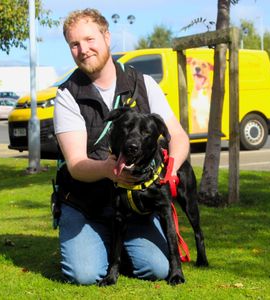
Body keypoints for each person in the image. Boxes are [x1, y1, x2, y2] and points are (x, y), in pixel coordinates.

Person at [54, 8, 190, 285]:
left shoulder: (143, 83)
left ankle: (118, 247)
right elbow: (76, 165)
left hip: (136, 204)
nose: (83, 49)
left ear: (107, 36)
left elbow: (179, 136)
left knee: (157, 270)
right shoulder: (67, 94)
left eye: (90, 39)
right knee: (85, 274)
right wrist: (108, 170)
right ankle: (96, 244)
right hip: (85, 204)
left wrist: (170, 170)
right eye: (74, 44)